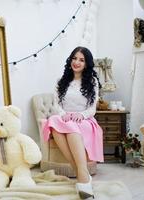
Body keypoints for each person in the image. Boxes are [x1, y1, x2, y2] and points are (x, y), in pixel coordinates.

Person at [42, 46, 103, 199]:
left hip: (85, 121)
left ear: (86, 64)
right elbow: (57, 105)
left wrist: (80, 115)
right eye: (74, 58)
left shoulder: (92, 81)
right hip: (65, 119)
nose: (77, 62)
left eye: (81, 60)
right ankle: (82, 175)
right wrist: (64, 115)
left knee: (67, 126)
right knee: (54, 121)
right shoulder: (61, 81)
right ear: (70, 60)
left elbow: (92, 109)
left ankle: (81, 174)